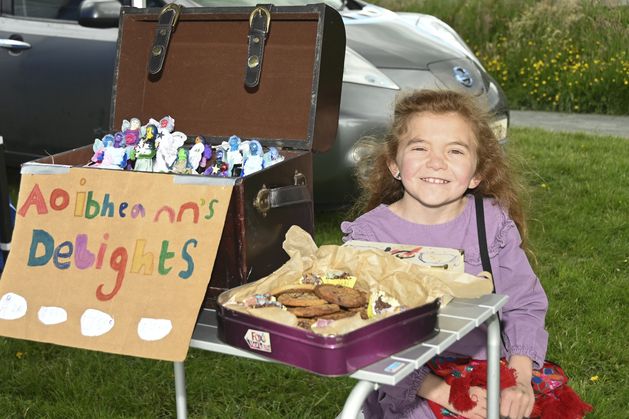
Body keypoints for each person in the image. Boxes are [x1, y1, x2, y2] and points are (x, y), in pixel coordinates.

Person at [341, 90, 589, 419]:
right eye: (420, 147)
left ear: (476, 174)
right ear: (394, 164)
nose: (436, 162)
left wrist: (520, 380)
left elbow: (523, 304)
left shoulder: (490, 223)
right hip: (413, 380)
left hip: (494, 368)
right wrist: (445, 393)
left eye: (455, 150)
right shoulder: (369, 238)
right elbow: (361, 337)